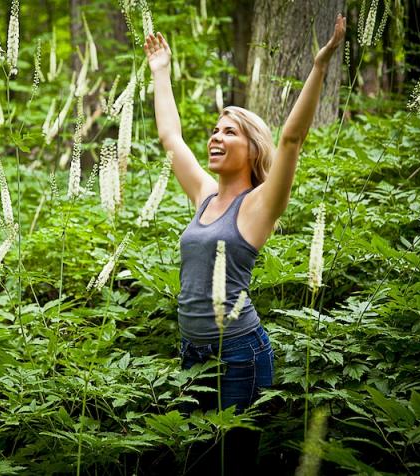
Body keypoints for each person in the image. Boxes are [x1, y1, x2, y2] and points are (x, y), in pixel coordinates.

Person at [143, 13, 347, 474]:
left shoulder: (258, 207)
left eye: (228, 132)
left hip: (238, 355)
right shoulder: (203, 193)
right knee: (196, 463)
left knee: (230, 466)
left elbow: (292, 138)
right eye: (215, 130)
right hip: (192, 352)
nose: (215, 137)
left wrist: (319, 66)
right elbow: (169, 137)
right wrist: (160, 72)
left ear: (253, 149)